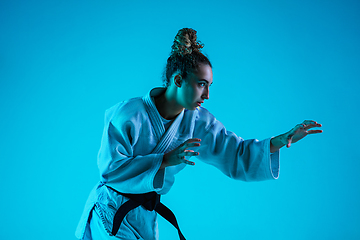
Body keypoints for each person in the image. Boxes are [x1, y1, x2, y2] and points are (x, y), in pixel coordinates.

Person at [75, 28, 322, 240]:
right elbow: (110, 170)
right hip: (111, 210)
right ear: (178, 79)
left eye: (209, 86)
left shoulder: (198, 121)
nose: (207, 96)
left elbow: (235, 153)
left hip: (144, 216)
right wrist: (163, 160)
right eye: (201, 84)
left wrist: (278, 141)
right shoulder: (129, 114)